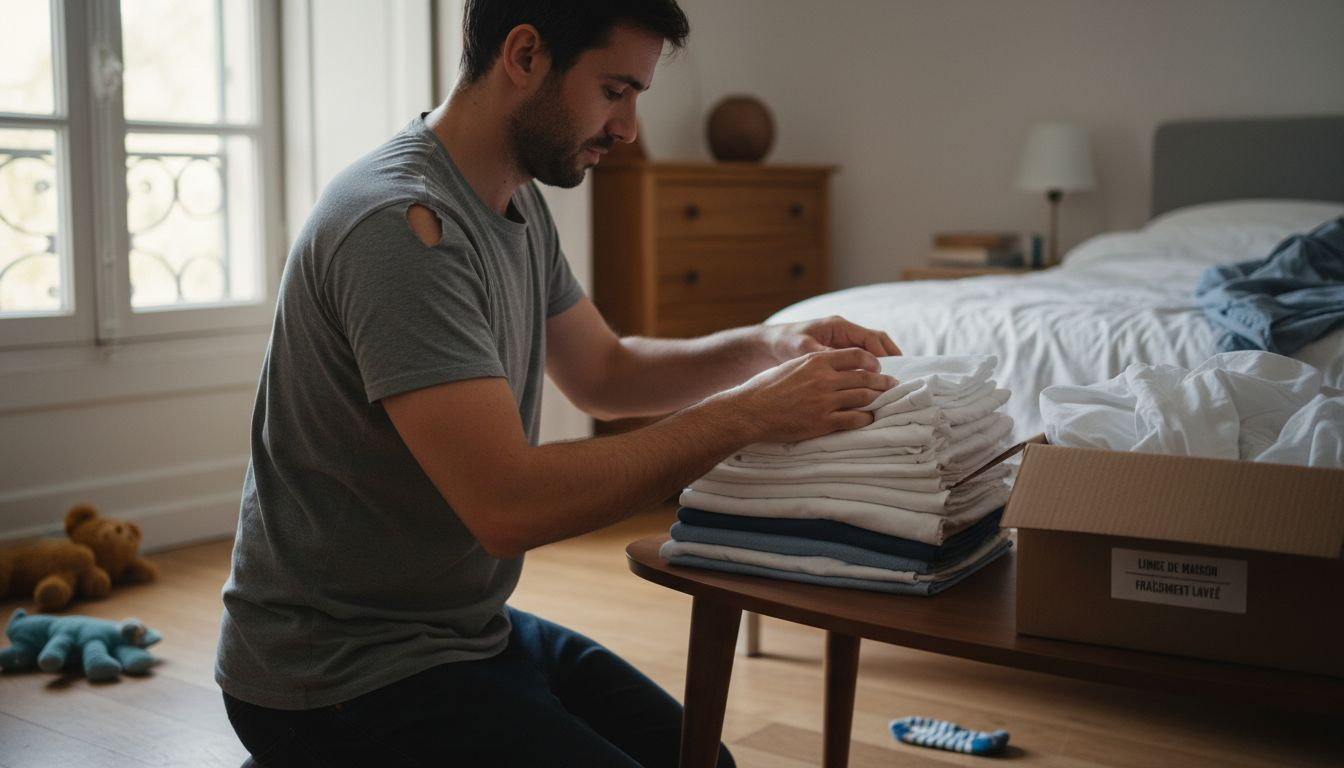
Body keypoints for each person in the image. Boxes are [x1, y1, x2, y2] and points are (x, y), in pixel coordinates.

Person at [215, 1, 900, 765]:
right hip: (336, 674)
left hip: (463, 631)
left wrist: (766, 345)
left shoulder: (514, 201)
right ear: (524, 55)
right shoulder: (400, 225)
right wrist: (743, 417)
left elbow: (604, 372)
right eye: (614, 91)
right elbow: (508, 506)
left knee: (708, 762)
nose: (628, 128)